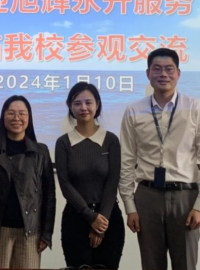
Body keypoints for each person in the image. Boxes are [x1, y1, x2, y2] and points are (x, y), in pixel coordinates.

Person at [119, 48, 200, 270]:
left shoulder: (195, 108)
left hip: (185, 197)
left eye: (169, 69)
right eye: (157, 69)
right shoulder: (134, 111)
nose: (163, 74)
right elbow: (126, 160)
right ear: (148, 73)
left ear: (178, 73)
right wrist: (129, 206)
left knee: (185, 264)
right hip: (147, 197)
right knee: (151, 265)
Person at [0, 95, 56, 269]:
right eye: (11, 113)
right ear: (3, 117)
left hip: (30, 232)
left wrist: (47, 234)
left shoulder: (41, 151)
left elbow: (49, 195)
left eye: (22, 113)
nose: (16, 118)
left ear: (29, 118)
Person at [56, 82, 125, 269]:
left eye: (88, 102)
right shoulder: (63, 143)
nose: (83, 107)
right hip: (76, 218)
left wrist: (101, 222)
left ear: (97, 104)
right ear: (70, 106)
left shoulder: (110, 140)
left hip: (108, 218)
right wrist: (90, 217)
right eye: (77, 103)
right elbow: (64, 183)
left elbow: (112, 182)